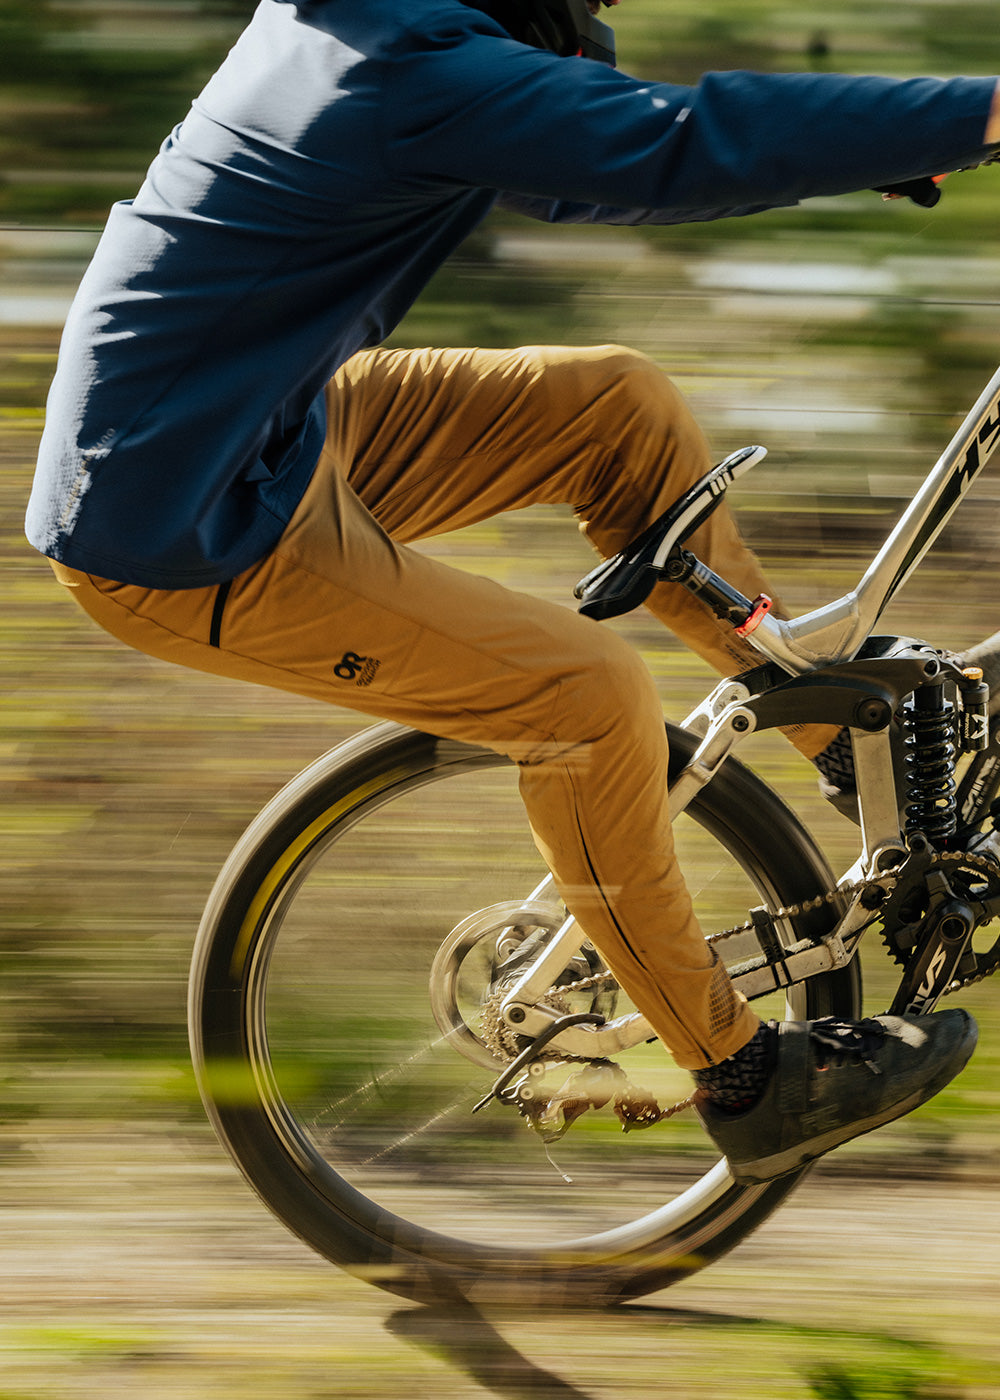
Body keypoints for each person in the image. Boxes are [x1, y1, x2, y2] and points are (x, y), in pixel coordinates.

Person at [26, 0, 993, 1183]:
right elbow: (665, 144)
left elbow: (584, 134)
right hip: (179, 515)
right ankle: (744, 1076)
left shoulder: (364, 24)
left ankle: (839, 733)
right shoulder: (400, 68)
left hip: (259, 425)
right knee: (585, 695)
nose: (596, 12)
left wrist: (889, 140)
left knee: (613, 411)